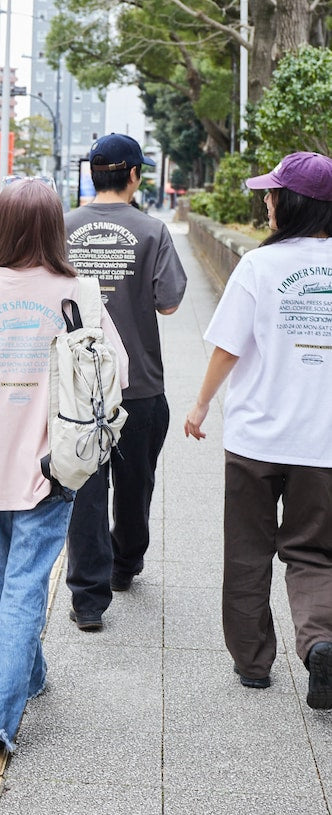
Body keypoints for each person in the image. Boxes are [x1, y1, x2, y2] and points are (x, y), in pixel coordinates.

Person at [0, 178, 127, 751]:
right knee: (14, 587)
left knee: (11, 585)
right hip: (55, 463)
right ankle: (29, 674)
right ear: (53, 228)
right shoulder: (83, 292)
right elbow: (118, 375)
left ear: (2, 226)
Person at [185, 151, 332, 708]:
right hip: (324, 444)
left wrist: (200, 405)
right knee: (315, 551)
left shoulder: (259, 267)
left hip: (255, 439)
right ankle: (320, 640)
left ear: (293, 203)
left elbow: (228, 348)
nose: (266, 201)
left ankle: (252, 664)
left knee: (247, 550)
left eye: (272, 194)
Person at [63, 133, 187, 630]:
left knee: (85, 489)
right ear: (135, 174)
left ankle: (87, 601)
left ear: (92, 174)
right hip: (138, 384)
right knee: (134, 484)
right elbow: (171, 302)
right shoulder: (152, 230)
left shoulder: (62, 226)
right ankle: (125, 562)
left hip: (77, 386)